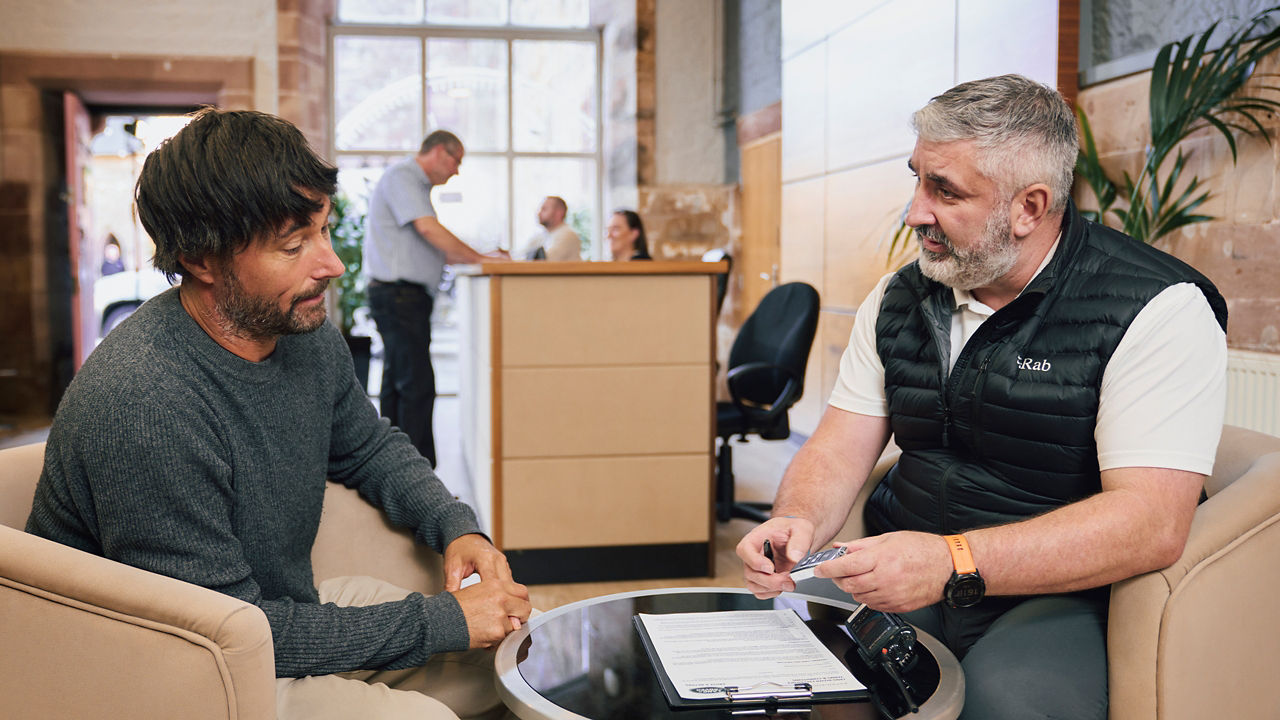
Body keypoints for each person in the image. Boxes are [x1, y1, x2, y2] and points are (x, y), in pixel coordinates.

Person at [736, 74, 1228, 720]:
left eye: (944, 191)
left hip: (1055, 598)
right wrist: (793, 521)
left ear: (1030, 207)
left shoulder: (1156, 309)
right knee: (788, 681)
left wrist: (950, 560)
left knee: (1004, 705)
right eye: (917, 179)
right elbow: (835, 448)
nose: (914, 211)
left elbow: (1151, 522)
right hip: (906, 567)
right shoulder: (898, 298)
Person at [25, 108, 531, 720]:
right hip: (163, 671)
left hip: (263, 614)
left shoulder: (302, 332)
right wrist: (440, 621)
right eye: (294, 244)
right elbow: (217, 630)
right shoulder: (145, 401)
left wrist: (457, 527)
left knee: (515, 654)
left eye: (322, 229)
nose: (331, 263)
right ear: (202, 260)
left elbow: (367, 447)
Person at [364, 130, 509, 467]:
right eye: (456, 160)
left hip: (400, 296)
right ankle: (418, 477)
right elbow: (430, 231)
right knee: (416, 386)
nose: (456, 171)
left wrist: (480, 254)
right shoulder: (404, 176)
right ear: (440, 152)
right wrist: (481, 259)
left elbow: (429, 247)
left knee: (399, 383)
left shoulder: (414, 185)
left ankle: (396, 469)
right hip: (399, 296)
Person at [522, 196, 581, 261]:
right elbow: (522, 254)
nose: (538, 213)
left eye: (544, 209)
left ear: (559, 213)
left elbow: (544, 261)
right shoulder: (542, 235)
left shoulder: (567, 235)